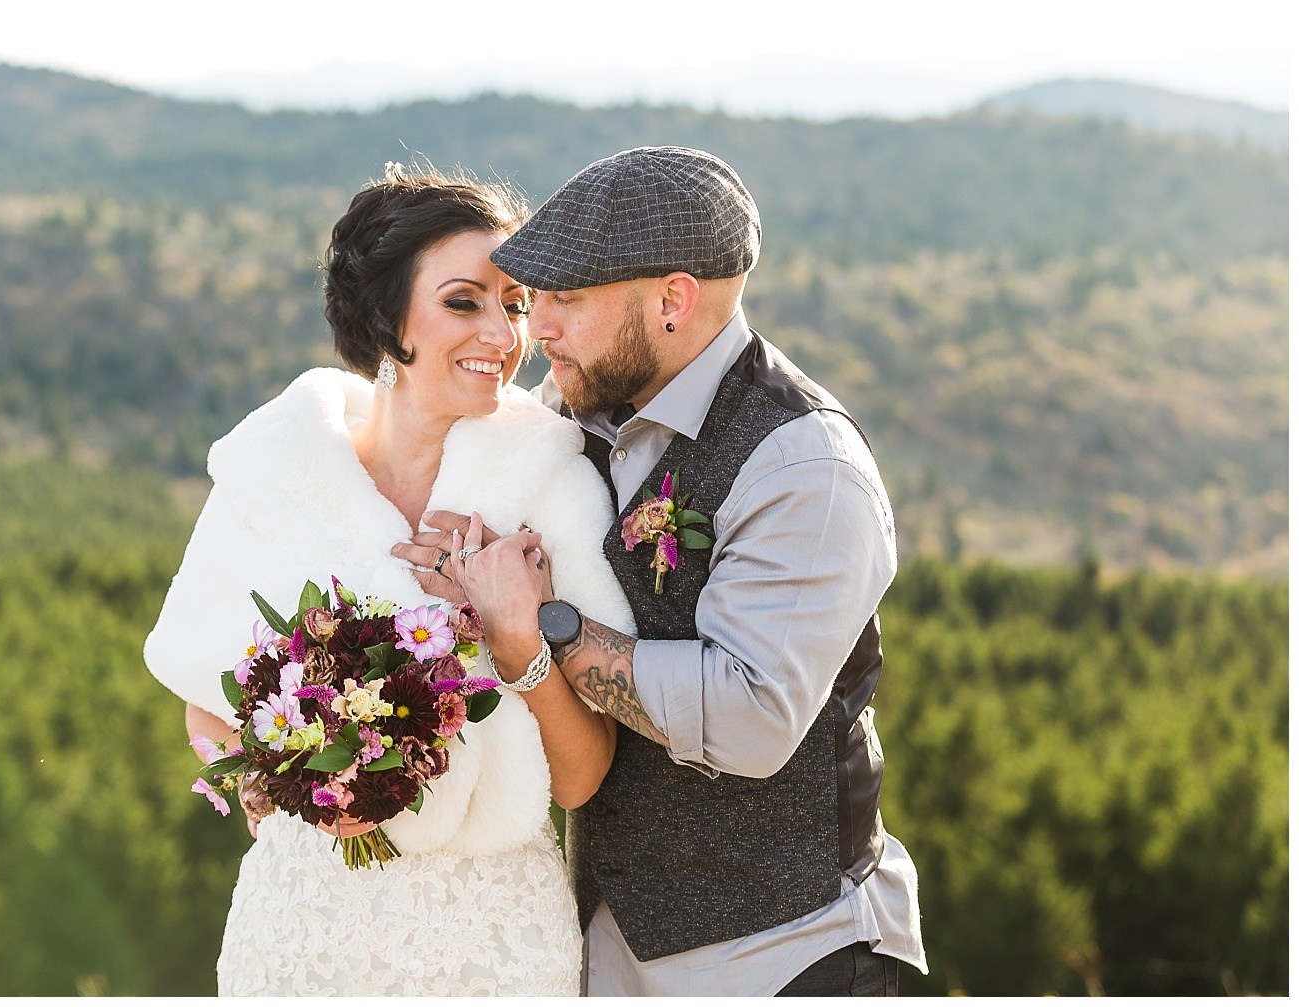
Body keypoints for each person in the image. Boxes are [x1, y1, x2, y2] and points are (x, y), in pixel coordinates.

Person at [402, 147, 928, 996]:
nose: (538, 330)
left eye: (567, 301)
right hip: (607, 949)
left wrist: (544, 626)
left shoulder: (805, 466)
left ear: (674, 301)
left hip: (787, 953)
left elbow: (751, 716)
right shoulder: (571, 414)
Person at [143, 164, 635, 996]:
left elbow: (584, 776)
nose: (503, 334)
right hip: (301, 932)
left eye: (514, 304)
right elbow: (207, 703)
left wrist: (517, 634)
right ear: (385, 315)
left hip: (491, 943)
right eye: (463, 300)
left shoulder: (554, 488)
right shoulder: (277, 473)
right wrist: (301, 783)